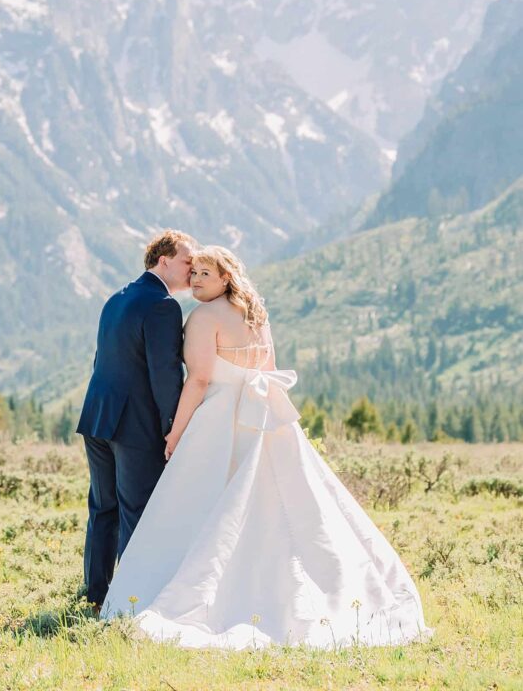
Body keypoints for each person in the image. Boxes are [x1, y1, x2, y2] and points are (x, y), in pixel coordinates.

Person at [101, 245, 432, 649]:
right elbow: (268, 368)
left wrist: (176, 432)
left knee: (206, 506)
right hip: (263, 416)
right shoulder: (256, 313)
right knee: (283, 504)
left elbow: (200, 380)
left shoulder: (204, 317)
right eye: (195, 272)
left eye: (205, 273)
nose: (195, 280)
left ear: (226, 278)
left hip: (221, 420)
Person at [76, 229, 196, 609]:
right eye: (186, 261)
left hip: (98, 417)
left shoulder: (116, 298)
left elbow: (102, 359)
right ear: (164, 261)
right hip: (134, 425)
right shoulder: (163, 305)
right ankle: (131, 600)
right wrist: (173, 429)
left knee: (103, 508)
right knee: (137, 511)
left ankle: (96, 595)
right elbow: (165, 375)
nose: (192, 268)